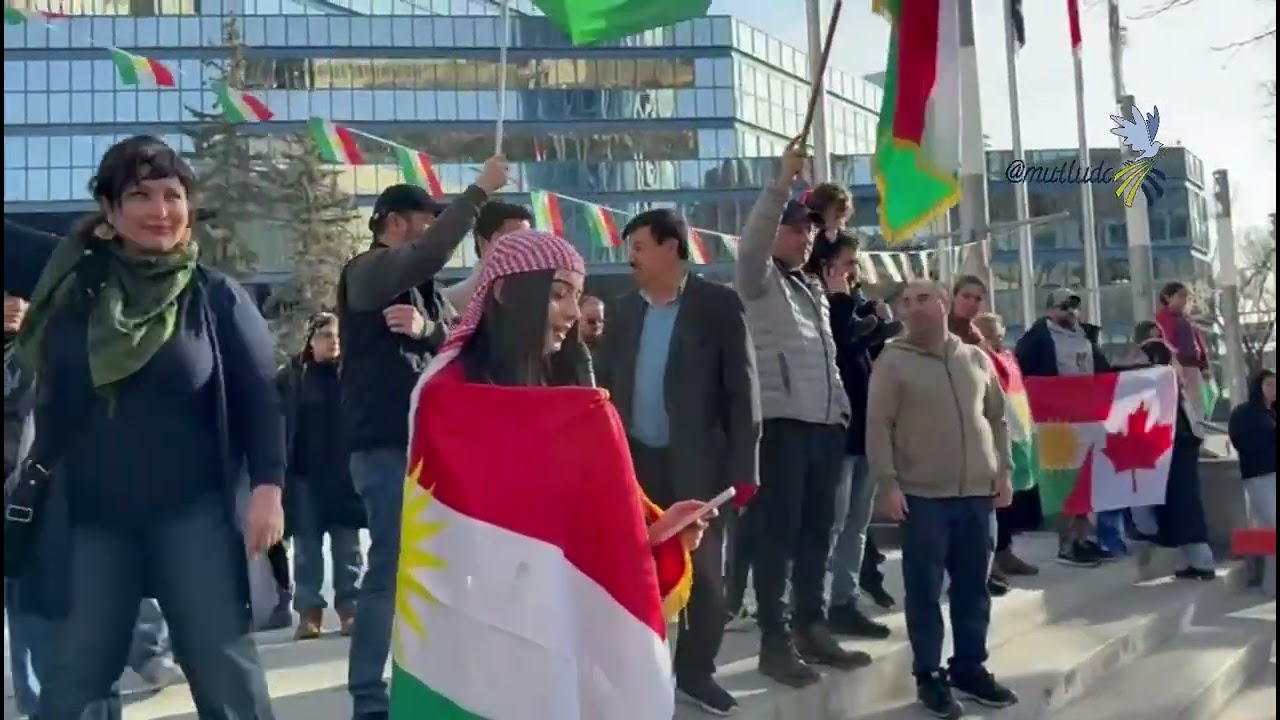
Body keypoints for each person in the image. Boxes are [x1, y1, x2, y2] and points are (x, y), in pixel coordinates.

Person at [7, 135, 281, 719]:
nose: (160, 210)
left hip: (194, 513)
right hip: (91, 517)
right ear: (108, 211)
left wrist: (267, 489)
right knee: (73, 681)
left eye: (172, 194)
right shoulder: (71, 285)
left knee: (224, 669)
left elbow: (261, 401)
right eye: (139, 195)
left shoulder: (215, 297)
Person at [400, 228, 709, 718]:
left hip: (557, 623)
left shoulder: (566, 403)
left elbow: (585, 524)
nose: (572, 311)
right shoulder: (448, 399)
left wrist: (659, 531)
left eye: (577, 296)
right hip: (477, 639)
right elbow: (457, 538)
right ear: (503, 291)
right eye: (558, 293)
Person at [338, 159, 506, 720]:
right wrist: (479, 191)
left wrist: (430, 326)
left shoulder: (422, 290)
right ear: (391, 223)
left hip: (422, 445)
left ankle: (427, 679)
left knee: (430, 565)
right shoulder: (367, 270)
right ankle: (369, 697)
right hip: (384, 443)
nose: (432, 228)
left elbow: (453, 328)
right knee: (389, 565)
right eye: (423, 218)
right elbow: (433, 254)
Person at [594, 208, 761, 714]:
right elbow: (601, 391)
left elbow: (742, 391)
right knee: (636, 574)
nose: (632, 258)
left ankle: (695, 672)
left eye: (641, 247)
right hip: (635, 468)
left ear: (672, 248)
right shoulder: (623, 311)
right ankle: (637, 674)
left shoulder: (718, 305)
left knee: (706, 577)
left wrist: (745, 468)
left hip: (701, 467)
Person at [735, 140, 864, 687]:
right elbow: (754, 242)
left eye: (812, 229)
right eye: (797, 227)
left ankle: (812, 625)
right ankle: (775, 639)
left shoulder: (810, 286)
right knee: (777, 535)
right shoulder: (758, 279)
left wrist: (840, 411)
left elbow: (827, 356)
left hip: (824, 426)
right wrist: (780, 185)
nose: (807, 234)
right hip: (782, 424)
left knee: (819, 531)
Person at [867, 279, 1018, 719]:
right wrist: (888, 484)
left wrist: (1002, 473)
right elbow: (878, 426)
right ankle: (929, 676)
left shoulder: (975, 358)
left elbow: (997, 418)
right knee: (924, 591)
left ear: (943, 303)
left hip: (976, 494)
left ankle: (970, 669)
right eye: (906, 302)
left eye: (922, 299)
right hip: (922, 497)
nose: (913, 308)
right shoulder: (892, 361)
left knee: (974, 589)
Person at [805, 230, 898, 640]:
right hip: (836, 431)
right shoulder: (820, 303)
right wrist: (845, 301)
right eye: (846, 265)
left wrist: (878, 321)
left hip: (866, 428)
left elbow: (867, 342)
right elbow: (841, 342)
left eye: (855, 265)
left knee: (858, 522)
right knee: (831, 521)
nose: (853, 272)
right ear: (826, 268)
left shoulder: (853, 305)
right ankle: (811, 605)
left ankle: (844, 601)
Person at [278, 312, 365, 640]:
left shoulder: (353, 375)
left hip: (344, 476)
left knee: (348, 549)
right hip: (305, 479)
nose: (334, 341)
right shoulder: (292, 378)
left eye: (338, 336)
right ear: (311, 340)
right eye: (326, 335)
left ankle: (350, 610)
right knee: (306, 551)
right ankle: (309, 613)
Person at [1014, 288, 1113, 567]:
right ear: (1050, 310)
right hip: (1055, 425)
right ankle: (1066, 544)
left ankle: (1083, 539)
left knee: (1085, 482)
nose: (1070, 313)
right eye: (1063, 308)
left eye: (1074, 308)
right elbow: (1021, 374)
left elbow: (1105, 371)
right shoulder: (1036, 339)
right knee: (1061, 484)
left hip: (1085, 422)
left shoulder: (1085, 337)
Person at [1127, 340, 1216, 580]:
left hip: (1176, 446)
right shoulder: (1169, 379)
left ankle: (1200, 561)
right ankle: (1193, 561)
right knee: (1179, 506)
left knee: (1183, 505)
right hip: (1178, 445)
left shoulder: (1161, 380)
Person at [946, 276, 1012, 597]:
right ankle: (969, 574)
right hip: (950, 432)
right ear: (953, 297)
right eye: (966, 297)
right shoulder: (943, 333)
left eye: (977, 299)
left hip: (980, 427)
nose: (971, 303)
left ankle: (983, 571)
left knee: (981, 511)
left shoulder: (976, 336)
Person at [973, 312, 1041, 580]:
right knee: (993, 502)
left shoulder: (1009, 357)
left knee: (1009, 501)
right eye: (987, 335)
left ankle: (1005, 551)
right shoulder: (977, 358)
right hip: (989, 437)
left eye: (998, 334)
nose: (994, 340)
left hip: (1016, 433)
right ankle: (990, 561)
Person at [1154, 281, 1212, 422]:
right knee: (1183, 405)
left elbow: (1199, 342)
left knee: (1196, 405)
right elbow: (1165, 341)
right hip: (1177, 366)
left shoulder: (1186, 317)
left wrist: (1205, 365)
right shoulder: (1162, 318)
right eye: (1180, 295)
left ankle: (1198, 434)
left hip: (1193, 365)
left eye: (1186, 296)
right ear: (1168, 297)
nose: (1184, 300)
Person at [1228, 369, 1276, 530]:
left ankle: (1262, 552)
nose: (1273, 389)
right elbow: (1240, 441)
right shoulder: (1244, 413)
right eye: (1269, 385)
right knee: (1270, 520)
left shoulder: (1273, 413)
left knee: (1265, 523)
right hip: (1258, 474)